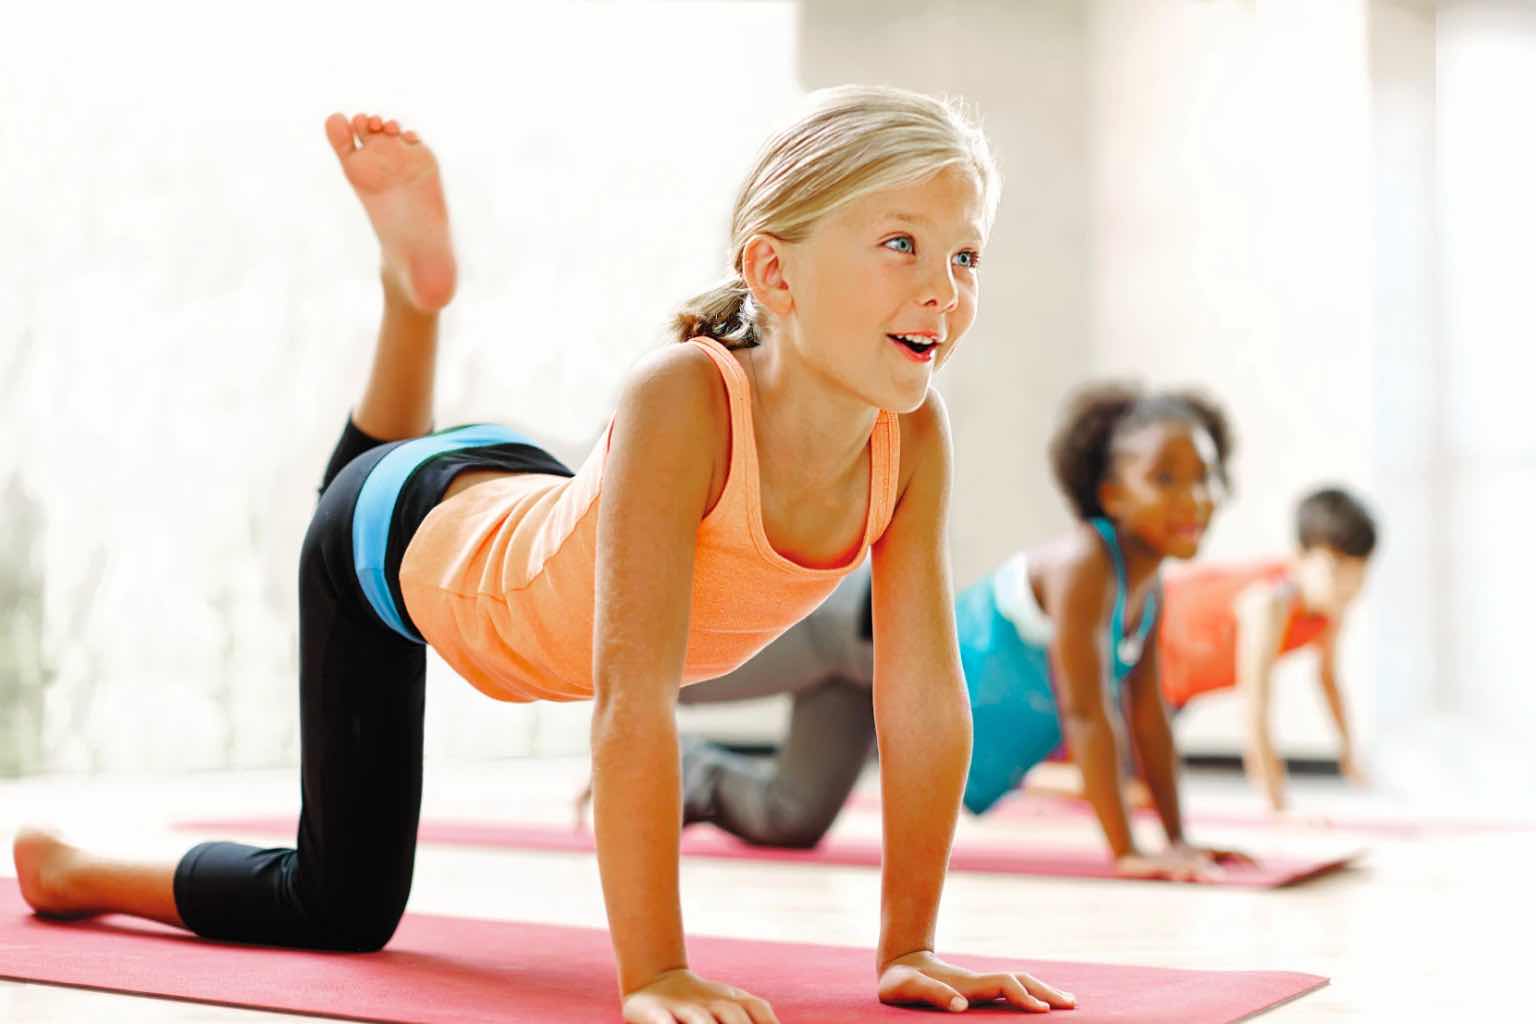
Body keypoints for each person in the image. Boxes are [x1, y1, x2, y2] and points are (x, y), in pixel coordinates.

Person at [12, 89, 1080, 1022]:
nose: (944, 286)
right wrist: (655, 967)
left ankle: (413, 300)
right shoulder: (684, 394)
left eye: (965, 253)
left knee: (400, 477)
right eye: (901, 243)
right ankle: (75, 866)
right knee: (340, 906)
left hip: (512, 498)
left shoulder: (912, 432)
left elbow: (924, 692)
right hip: (402, 552)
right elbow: (630, 702)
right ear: (774, 271)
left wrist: (909, 948)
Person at [676, 384, 1249, 881]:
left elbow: (1147, 718)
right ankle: (631, 735)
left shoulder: (1148, 593)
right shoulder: (1086, 566)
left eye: (1205, 476)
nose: (1194, 497)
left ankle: (686, 772)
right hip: (858, 630)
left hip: (882, 676)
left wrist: (1178, 839)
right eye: (1166, 478)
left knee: (790, 820)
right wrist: (1128, 852)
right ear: (1111, 495)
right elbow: (1088, 714)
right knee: (668, 679)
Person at [1158, 486, 1377, 812]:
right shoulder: (1269, 602)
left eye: (1358, 574)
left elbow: (1328, 679)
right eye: (1335, 568)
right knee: (1132, 792)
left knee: (1147, 789)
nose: (1347, 585)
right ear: (1300, 557)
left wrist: (1348, 753)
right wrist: (1277, 804)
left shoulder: (1331, 610)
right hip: (1140, 654)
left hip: (1175, 688)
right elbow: (1256, 703)